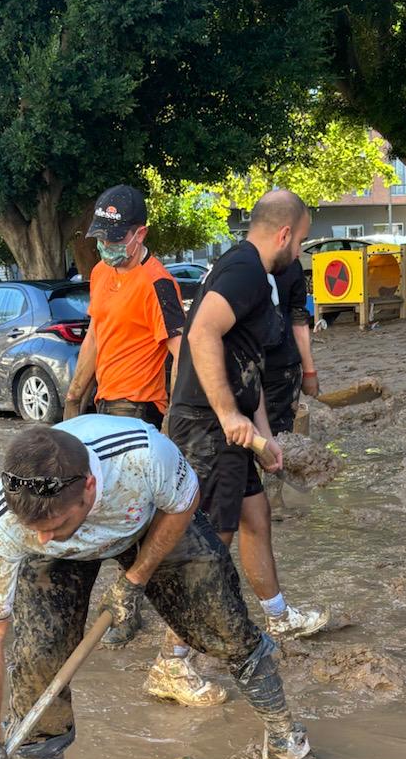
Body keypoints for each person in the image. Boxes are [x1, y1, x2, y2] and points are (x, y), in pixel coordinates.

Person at [0, 419, 334, 759]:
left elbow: (185, 503)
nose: (41, 535)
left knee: (224, 624)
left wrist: (134, 579)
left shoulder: (143, 456)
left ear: (88, 486)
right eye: (34, 527)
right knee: (36, 662)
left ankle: (285, 743)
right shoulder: (4, 522)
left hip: (147, 523)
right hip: (57, 563)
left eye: (55, 522)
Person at [64, 183, 224, 707]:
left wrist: (182, 423)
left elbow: (181, 355)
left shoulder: (158, 284)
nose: (107, 246)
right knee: (103, 511)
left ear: (140, 234)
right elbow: (95, 335)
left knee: (134, 516)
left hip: (140, 412)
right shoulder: (100, 274)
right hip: (103, 405)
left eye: (116, 238)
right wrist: (73, 396)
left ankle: (135, 606)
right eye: (101, 237)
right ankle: (128, 602)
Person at [168, 190, 327, 639]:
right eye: (300, 242)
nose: (299, 252)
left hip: (235, 428)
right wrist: (227, 415)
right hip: (208, 427)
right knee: (210, 544)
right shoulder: (245, 272)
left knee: (255, 519)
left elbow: (247, 363)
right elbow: (200, 333)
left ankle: (278, 618)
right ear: (283, 234)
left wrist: (262, 434)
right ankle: (172, 659)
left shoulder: (255, 273)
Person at [262, 255, 319, 438]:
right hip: (279, 366)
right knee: (278, 436)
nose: (299, 251)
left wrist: (309, 372)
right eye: (299, 242)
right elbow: (298, 319)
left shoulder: (235, 262)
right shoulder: (290, 264)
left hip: (253, 365)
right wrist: (309, 371)